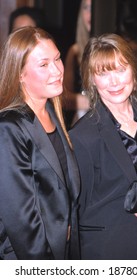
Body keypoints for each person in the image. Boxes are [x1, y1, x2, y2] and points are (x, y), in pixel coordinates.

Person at [69, 33, 137, 260]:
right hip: (106, 252)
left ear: (134, 70)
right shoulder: (82, 135)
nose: (115, 82)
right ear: (92, 79)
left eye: (120, 69)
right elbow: (76, 208)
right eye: (103, 73)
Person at [0, 26, 80, 260]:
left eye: (57, 59)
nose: (57, 71)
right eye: (44, 65)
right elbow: (23, 223)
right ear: (19, 74)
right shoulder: (8, 127)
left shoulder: (51, 113)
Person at [63, 0, 91, 129]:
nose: (90, 14)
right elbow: (64, 98)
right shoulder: (75, 51)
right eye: (86, 8)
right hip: (82, 122)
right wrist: (89, 102)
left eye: (93, 8)